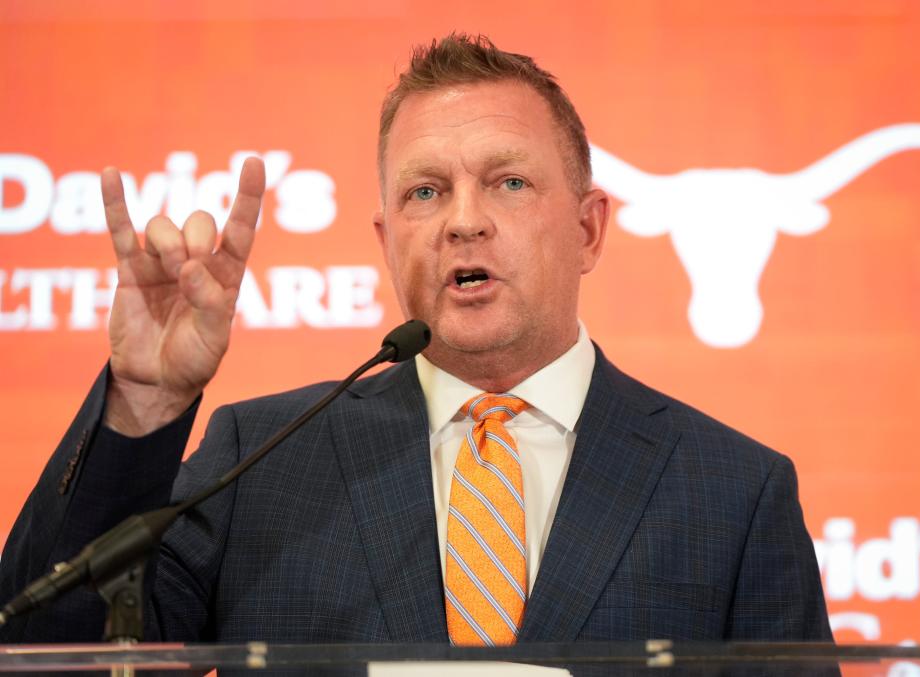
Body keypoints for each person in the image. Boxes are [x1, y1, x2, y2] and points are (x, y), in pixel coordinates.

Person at [0, 34, 832, 646]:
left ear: (587, 230)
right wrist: (146, 401)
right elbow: (50, 649)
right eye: (426, 191)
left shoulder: (734, 491)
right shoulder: (264, 460)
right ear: (387, 239)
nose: (464, 220)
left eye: (508, 182)